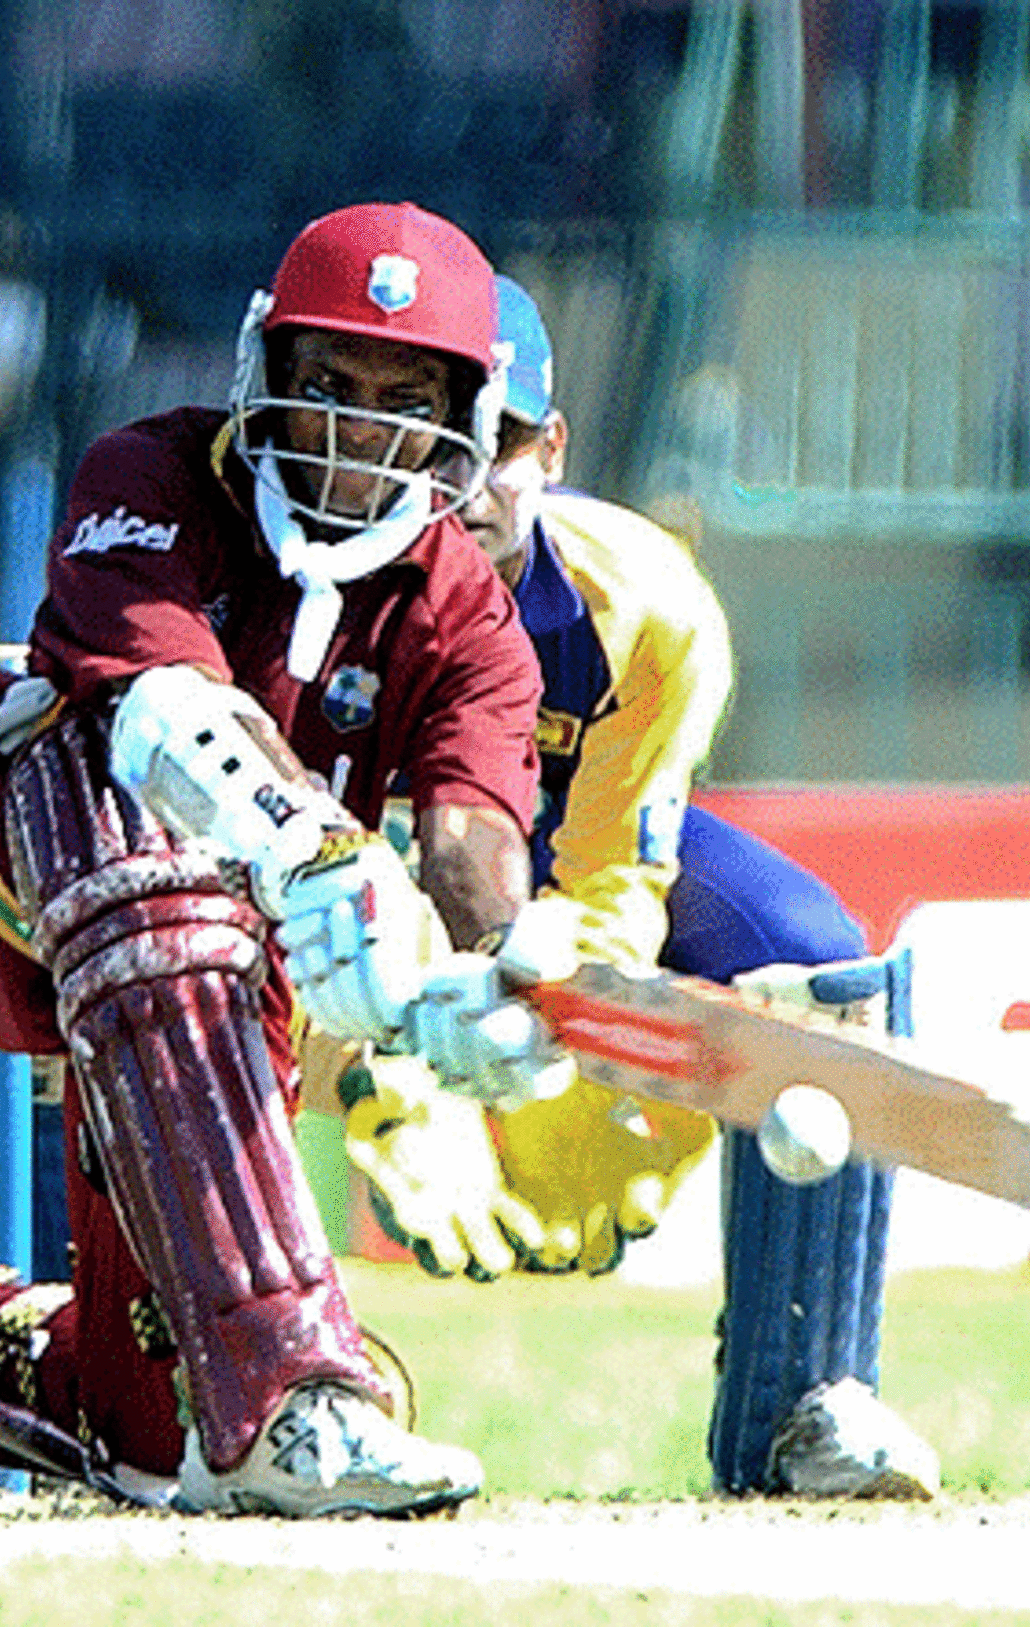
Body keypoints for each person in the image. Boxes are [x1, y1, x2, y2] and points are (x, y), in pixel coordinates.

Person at [0, 202, 546, 1518]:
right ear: (267, 369)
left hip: (223, 987)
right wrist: (323, 854)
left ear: (461, 416)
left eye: (400, 399)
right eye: (328, 384)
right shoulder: (155, 472)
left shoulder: (470, 610)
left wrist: (498, 975)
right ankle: (298, 1393)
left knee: (151, 1430)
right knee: (168, 870)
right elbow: (169, 711)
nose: (355, 430)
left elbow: (472, 837)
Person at [339, 275, 941, 1499]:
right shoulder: (333, 575)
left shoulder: (649, 605)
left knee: (816, 962)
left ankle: (806, 1402)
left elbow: (614, 870)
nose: (468, 483)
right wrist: (395, 1056)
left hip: (556, 865)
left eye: (500, 445)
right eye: (440, 444)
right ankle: (184, 1376)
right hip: (367, 865)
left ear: (550, 448)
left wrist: (561, 1040)